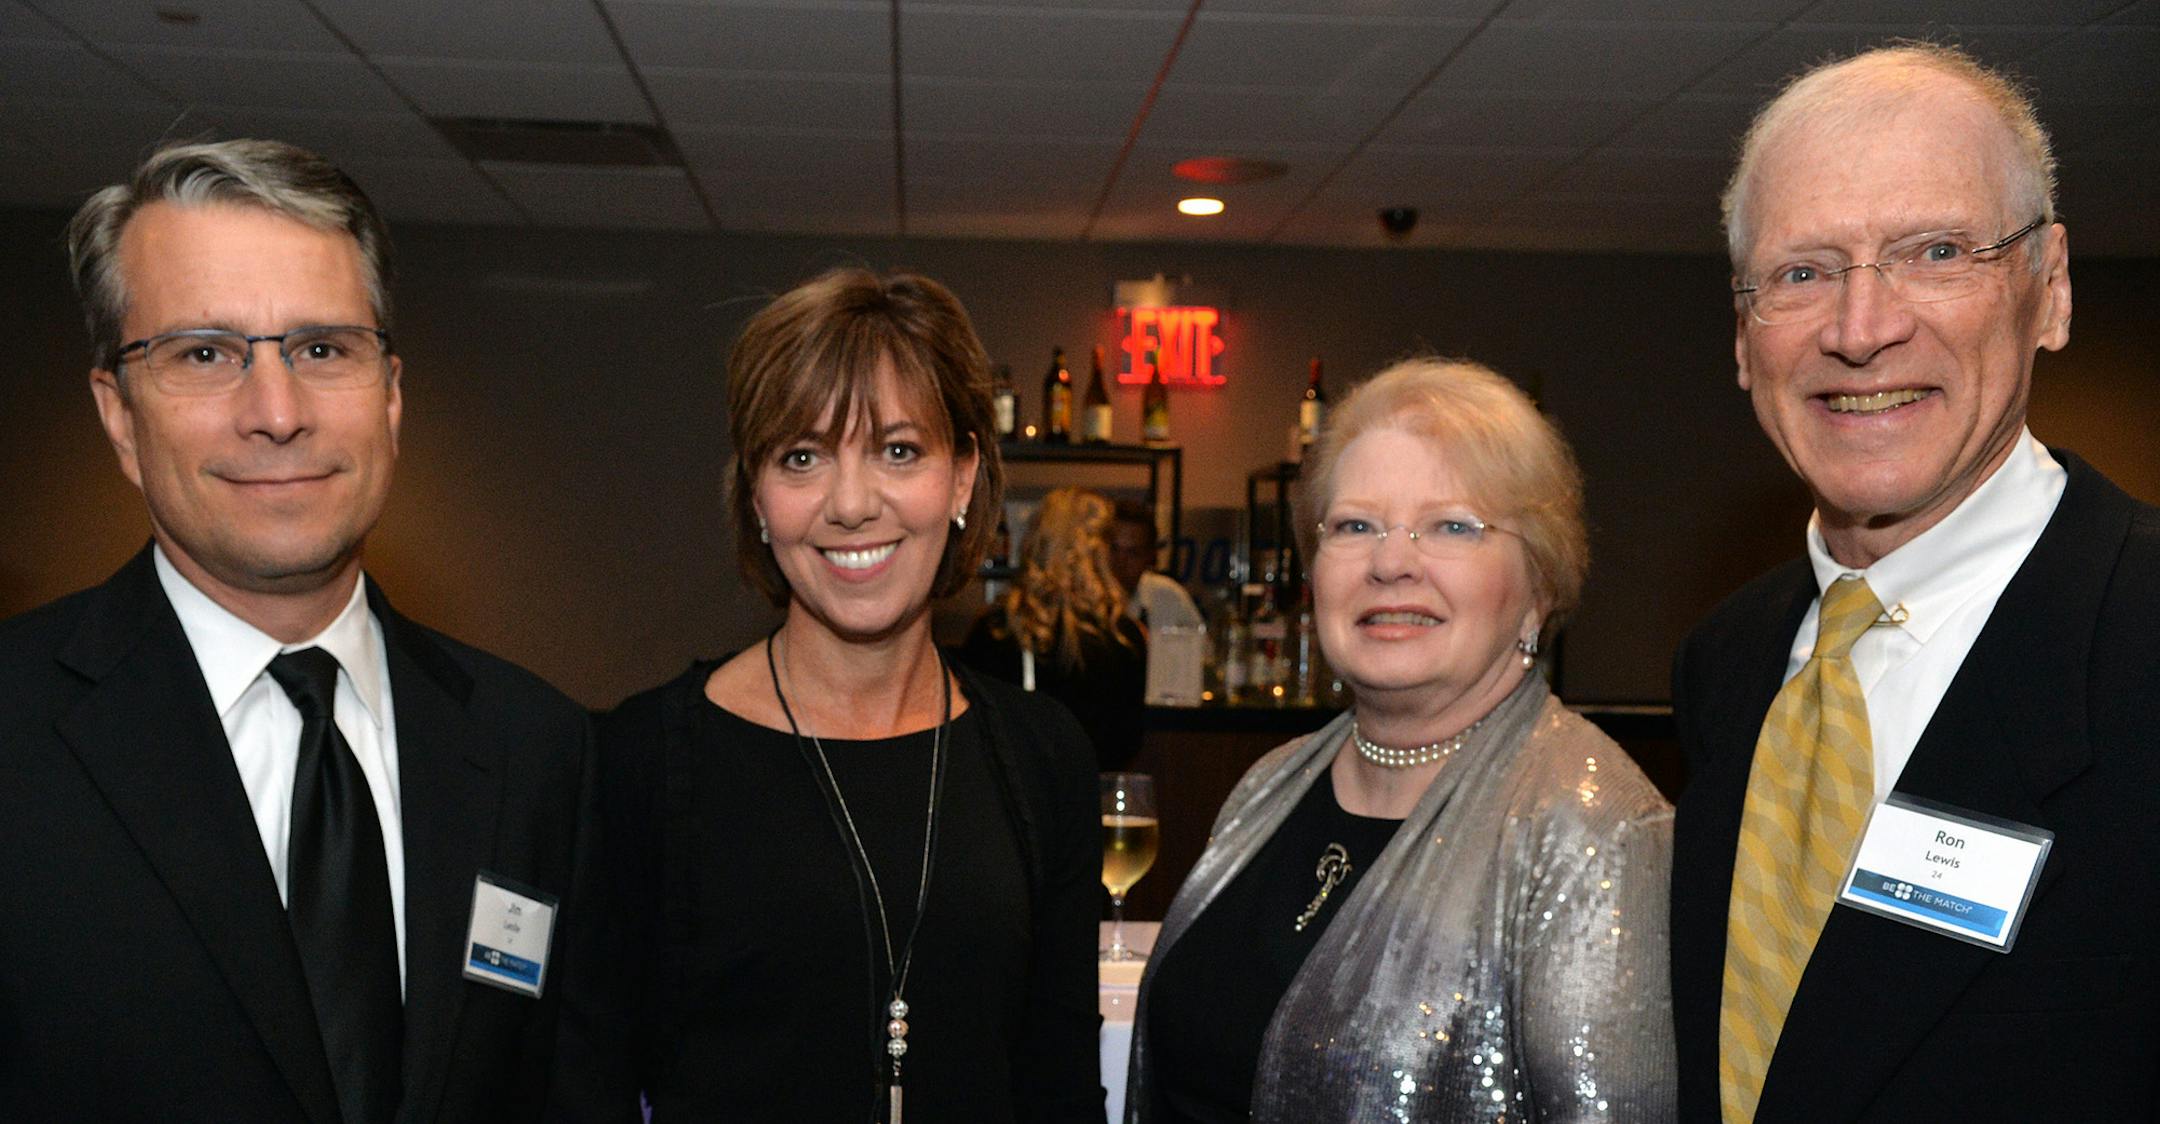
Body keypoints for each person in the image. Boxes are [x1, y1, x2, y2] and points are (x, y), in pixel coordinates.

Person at [0, 140, 627, 1120]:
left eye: (322, 348)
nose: (277, 411)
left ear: (390, 394)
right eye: (204, 353)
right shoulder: (16, 729)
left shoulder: (535, 747)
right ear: (119, 415)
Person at [1670, 43, 2159, 1122]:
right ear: (1746, 339)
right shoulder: (1726, 663)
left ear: (2052, 289)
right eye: (1802, 272)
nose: (1861, 328)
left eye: (1936, 251)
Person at [598, 268, 1103, 1121]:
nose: (852, 503)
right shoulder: (642, 760)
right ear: (758, 498)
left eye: (899, 451)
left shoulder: (1042, 755)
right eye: (802, 457)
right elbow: (588, 1087)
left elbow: (1057, 1087)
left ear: (964, 478)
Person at [1128, 358, 1675, 1121]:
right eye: (1356, 526)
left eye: (1452, 526)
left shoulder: (1591, 825)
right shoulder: (1271, 784)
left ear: (1538, 588)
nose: (1391, 562)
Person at [960, 487, 1150, 770]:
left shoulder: (997, 628)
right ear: (1098, 551)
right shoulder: (1123, 636)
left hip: (1011, 799)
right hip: (1087, 797)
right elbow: (1126, 742)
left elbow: (969, 728)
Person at [1107, 499, 1203, 632]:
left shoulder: (1169, 597)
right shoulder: (1081, 599)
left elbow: (1199, 649)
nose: (1120, 562)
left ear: (1150, 557)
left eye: (1133, 553)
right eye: (1113, 549)